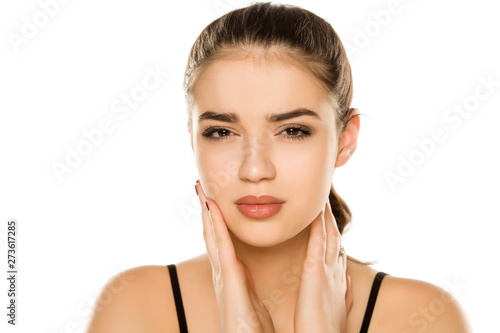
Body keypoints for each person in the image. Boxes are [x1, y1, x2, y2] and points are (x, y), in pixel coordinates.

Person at [86, 2, 472, 332]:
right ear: (192, 139)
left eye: (292, 130)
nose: (255, 169)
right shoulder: (136, 308)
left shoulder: (422, 317)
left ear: (345, 140)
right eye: (221, 131)